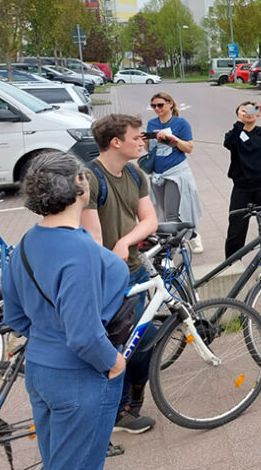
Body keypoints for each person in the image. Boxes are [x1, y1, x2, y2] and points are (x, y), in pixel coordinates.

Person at [2, 152, 129, 470]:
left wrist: (49, 339)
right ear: (79, 184)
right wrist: (114, 363)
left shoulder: (26, 242)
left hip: (40, 371)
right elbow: (84, 336)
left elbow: (15, 315)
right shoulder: (81, 251)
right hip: (80, 376)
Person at [80, 113, 159, 436]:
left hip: (134, 270)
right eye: (136, 136)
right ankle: (116, 411)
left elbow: (149, 218)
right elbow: (93, 239)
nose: (142, 141)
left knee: (143, 339)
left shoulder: (135, 173)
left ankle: (128, 403)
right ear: (116, 142)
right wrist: (115, 257)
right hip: (106, 278)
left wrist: (126, 241)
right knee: (117, 345)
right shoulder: (90, 179)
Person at [146, 92, 203, 252]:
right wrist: (145, 141)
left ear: (170, 104)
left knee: (172, 213)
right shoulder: (151, 123)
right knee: (162, 211)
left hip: (175, 172)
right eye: (154, 106)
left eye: (160, 105)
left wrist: (172, 139)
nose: (157, 109)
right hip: (157, 173)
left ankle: (169, 252)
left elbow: (189, 148)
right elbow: (150, 150)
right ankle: (190, 236)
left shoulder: (180, 123)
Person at [223, 102, 261, 258]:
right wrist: (240, 122)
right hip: (242, 187)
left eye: (252, 109)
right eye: (244, 110)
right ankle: (232, 263)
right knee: (236, 228)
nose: (248, 113)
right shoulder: (234, 133)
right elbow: (229, 143)